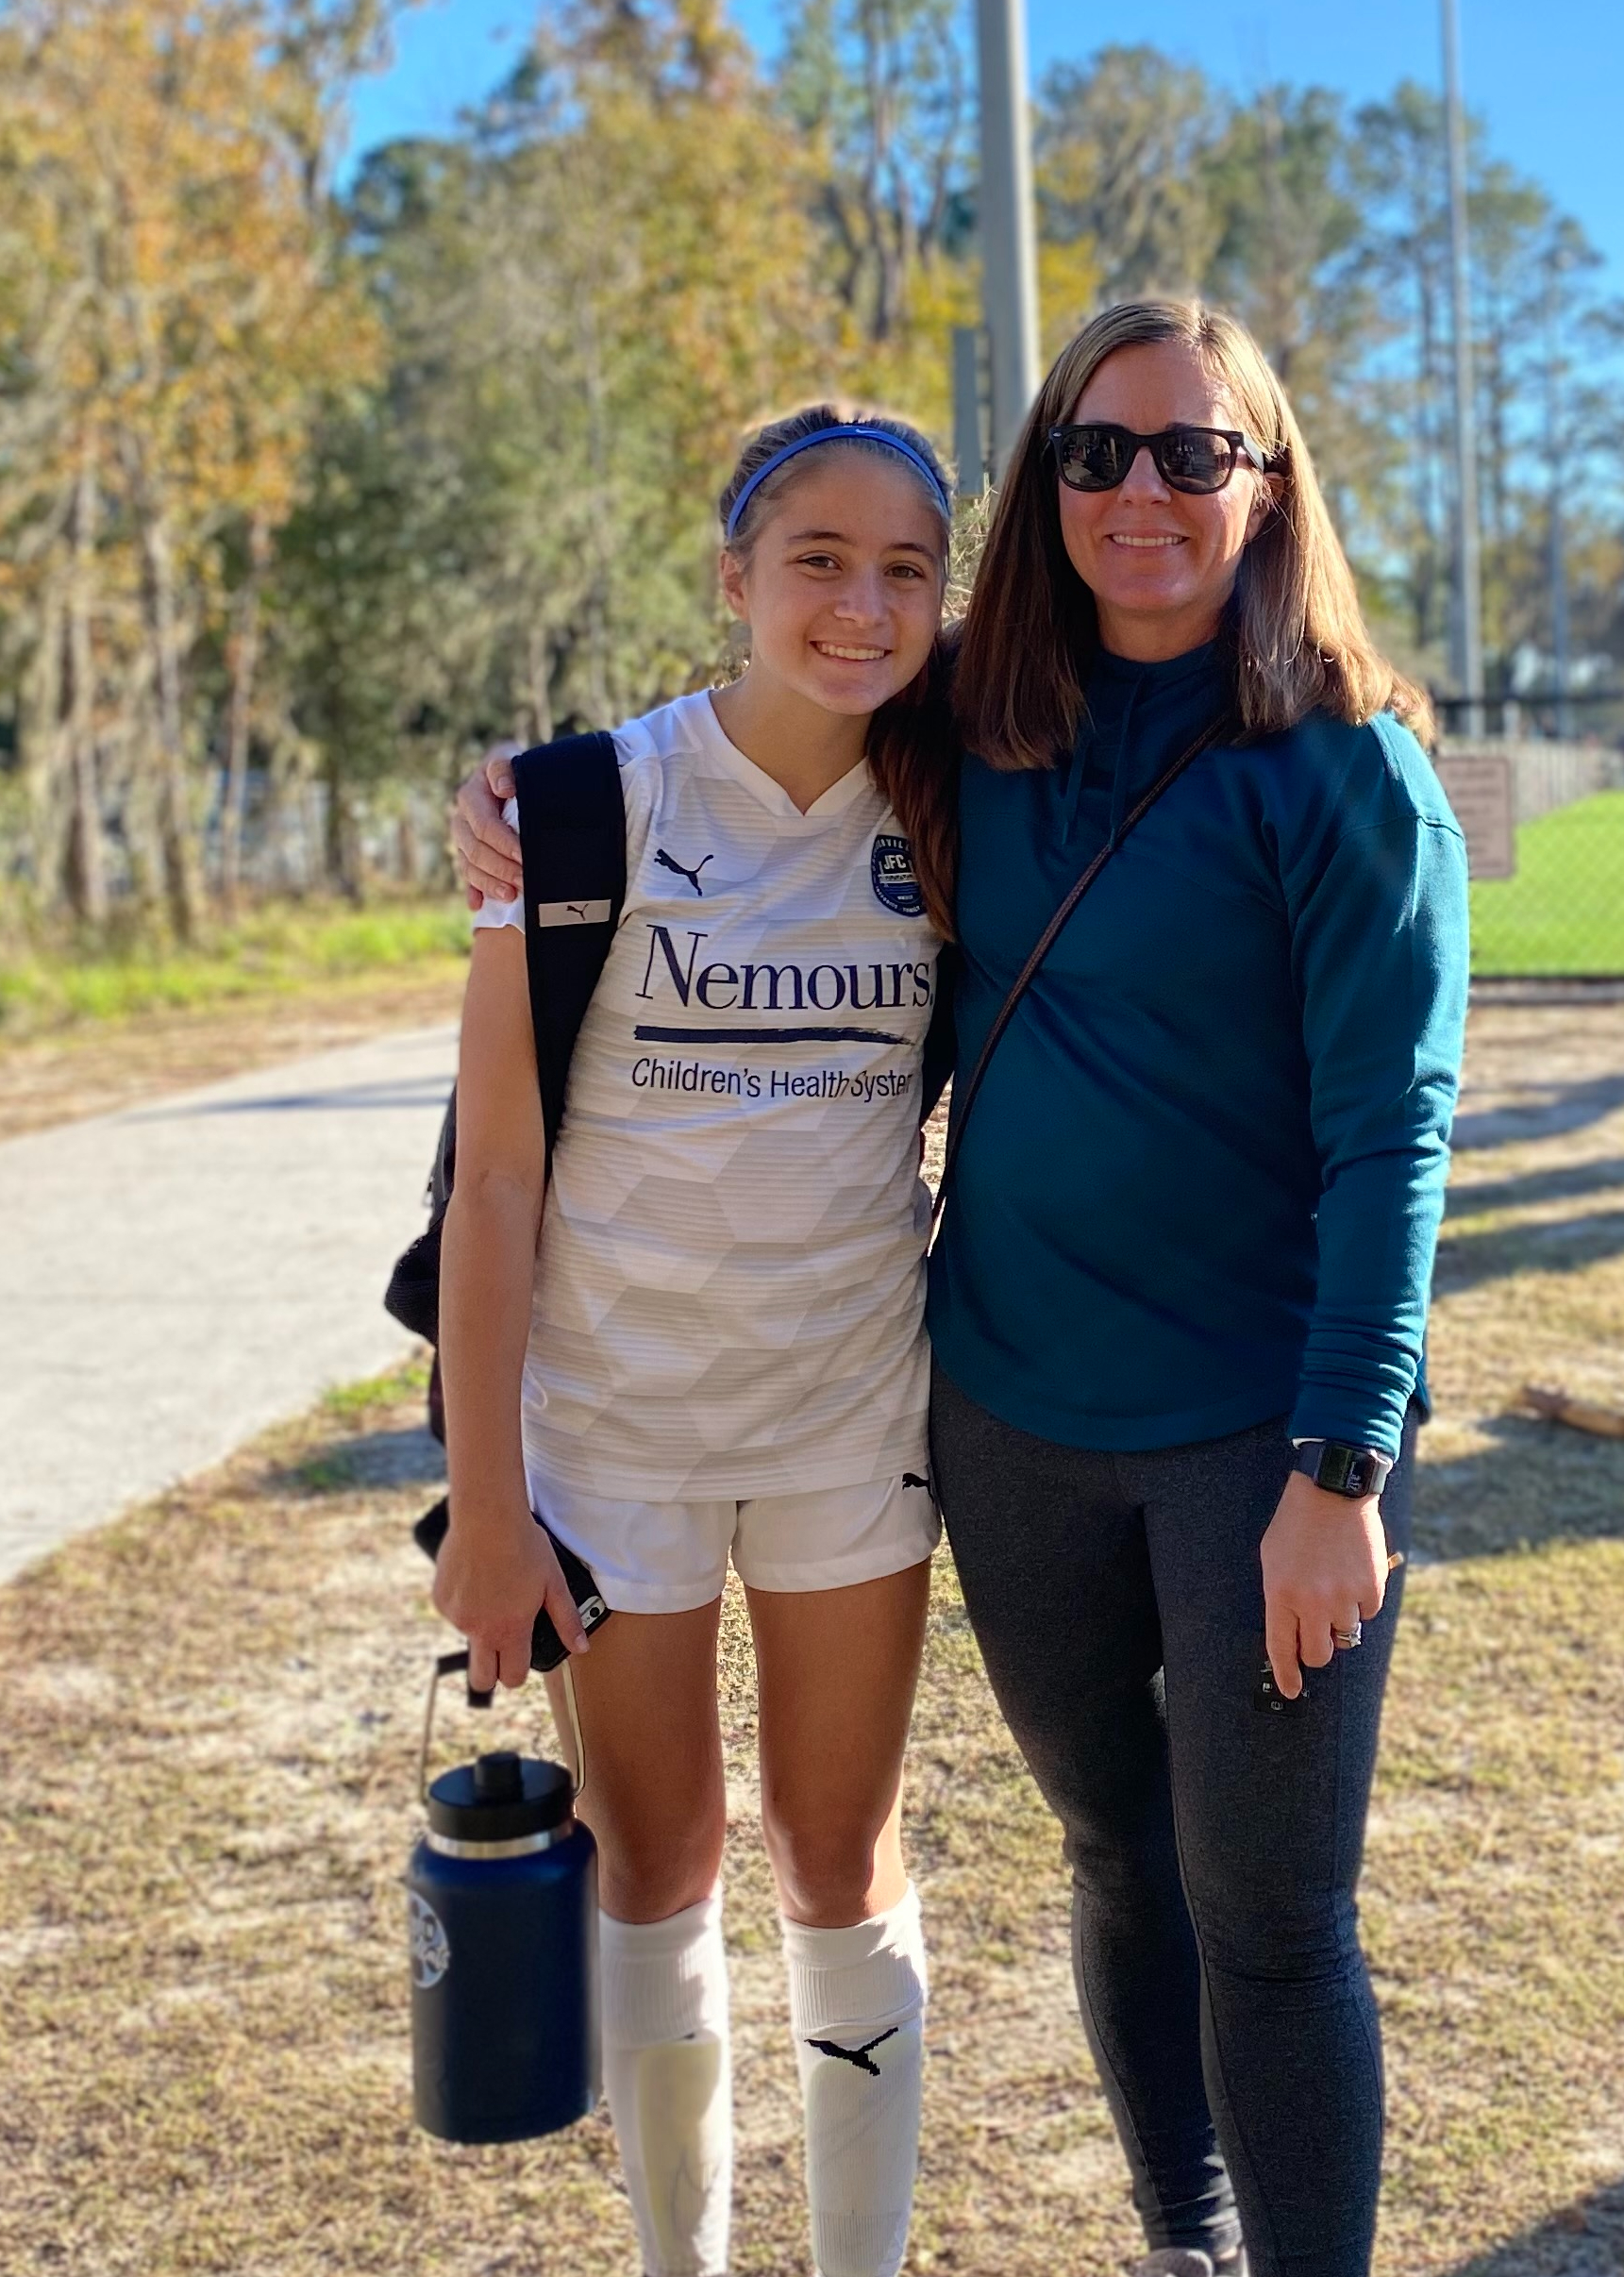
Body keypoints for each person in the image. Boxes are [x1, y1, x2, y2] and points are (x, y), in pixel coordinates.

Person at [456, 300, 1469, 2277]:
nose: (1146, 490)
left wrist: (1344, 1459)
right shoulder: (976, 741)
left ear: (1273, 484)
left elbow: (1393, 1137)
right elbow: (520, 1123)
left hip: (1207, 1437)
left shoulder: (1326, 774)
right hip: (970, 1417)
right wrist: (515, 805)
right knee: (1093, 1853)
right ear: (1049, 490)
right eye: (1099, 454)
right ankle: (1167, 2231)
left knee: (1259, 1911)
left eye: (1197, 451)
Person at [435, 403, 957, 2277]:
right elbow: (494, 1183)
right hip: (616, 1435)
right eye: (817, 557)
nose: (863, 600)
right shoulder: (580, 807)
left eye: (908, 566)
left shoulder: (964, 794)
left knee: (840, 1857)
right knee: (661, 1869)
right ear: (734, 579)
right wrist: (482, 1505)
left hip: (848, 1419)